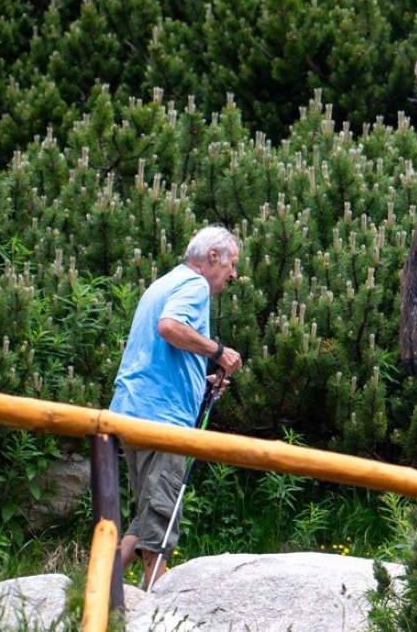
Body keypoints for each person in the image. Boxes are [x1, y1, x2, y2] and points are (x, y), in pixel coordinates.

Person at [111, 224, 243, 588]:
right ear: (212, 257)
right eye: (232, 263)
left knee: (145, 515)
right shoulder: (194, 285)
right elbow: (169, 327)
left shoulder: (163, 283)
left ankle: (99, 598)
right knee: (161, 521)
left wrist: (202, 382)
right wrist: (218, 352)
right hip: (161, 421)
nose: (234, 273)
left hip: (132, 411)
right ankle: (157, 611)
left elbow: (157, 352)